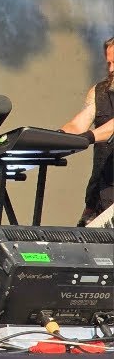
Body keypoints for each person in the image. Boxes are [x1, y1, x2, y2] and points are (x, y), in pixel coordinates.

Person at [59, 37, 114, 226]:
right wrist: (53, 139)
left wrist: (88, 137)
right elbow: (78, 125)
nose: (111, 69)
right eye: (109, 63)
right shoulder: (100, 92)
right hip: (101, 195)